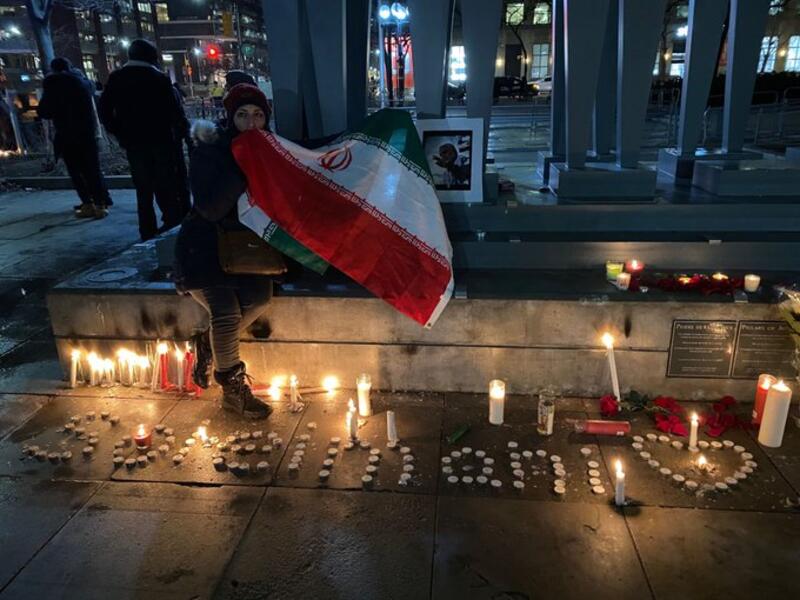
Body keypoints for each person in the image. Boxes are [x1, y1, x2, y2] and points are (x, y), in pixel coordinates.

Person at [174, 83, 275, 419]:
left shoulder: (272, 151)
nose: (251, 123)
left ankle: (210, 344)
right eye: (243, 115)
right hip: (202, 248)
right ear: (230, 118)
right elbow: (211, 207)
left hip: (246, 249)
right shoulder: (209, 151)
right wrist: (243, 164)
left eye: (258, 116)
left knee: (260, 298)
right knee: (226, 313)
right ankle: (232, 389)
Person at [99, 39, 190, 240]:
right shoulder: (158, 79)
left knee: (143, 189)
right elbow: (174, 112)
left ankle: (147, 230)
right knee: (165, 184)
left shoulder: (117, 78)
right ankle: (172, 224)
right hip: (162, 141)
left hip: (134, 142)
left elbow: (104, 110)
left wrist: (118, 131)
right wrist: (182, 133)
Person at [37, 57, 112, 219]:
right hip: (87, 133)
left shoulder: (53, 84)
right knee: (93, 169)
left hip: (67, 134)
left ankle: (88, 203)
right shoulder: (84, 83)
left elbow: (44, 111)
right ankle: (101, 203)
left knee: (76, 171)